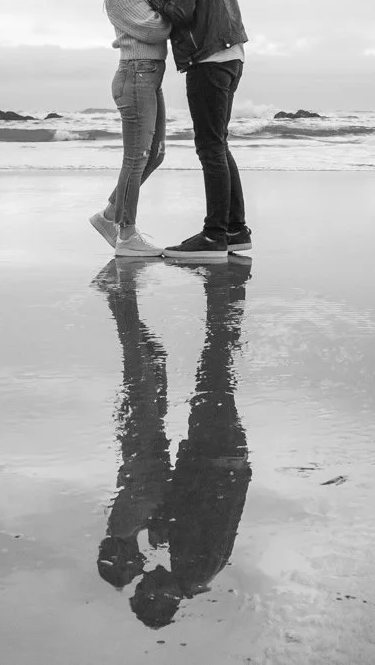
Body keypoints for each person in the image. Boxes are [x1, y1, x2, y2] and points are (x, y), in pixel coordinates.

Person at [93, 258, 252, 628]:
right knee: (213, 370)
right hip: (216, 457)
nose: (145, 574)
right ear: (157, 596)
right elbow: (204, 505)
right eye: (144, 584)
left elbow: (193, 505)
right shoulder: (194, 568)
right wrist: (166, 519)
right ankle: (224, 294)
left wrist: (164, 520)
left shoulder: (194, 572)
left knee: (210, 370)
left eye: (137, 577)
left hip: (219, 457)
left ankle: (222, 295)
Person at [126, 0, 250, 262]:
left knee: (210, 147)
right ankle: (235, 231)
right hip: (230, 54)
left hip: (208, 58)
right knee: (219, 144)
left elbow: (181, 13)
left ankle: (214, 236)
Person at [91, 0, 168, 258]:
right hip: (136, 74)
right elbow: (156, 29)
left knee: (154, 155)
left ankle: (110, 216)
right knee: (136, 158)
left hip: (147, 76)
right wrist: (162, 0)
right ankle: (127, 233)